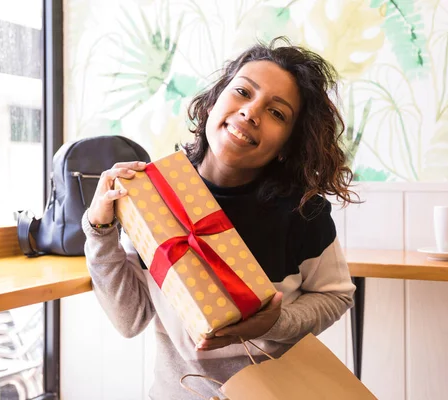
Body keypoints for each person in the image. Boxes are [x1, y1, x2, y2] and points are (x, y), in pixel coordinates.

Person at [83, 37, 359, 399]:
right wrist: (101, 229)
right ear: (213, 101)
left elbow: (335, 297)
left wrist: (276, 323)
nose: (251, 112)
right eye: (243, 92)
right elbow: (130, 319)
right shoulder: (156, 197)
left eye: (277, 113)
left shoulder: (304, 213)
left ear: (288, 145)